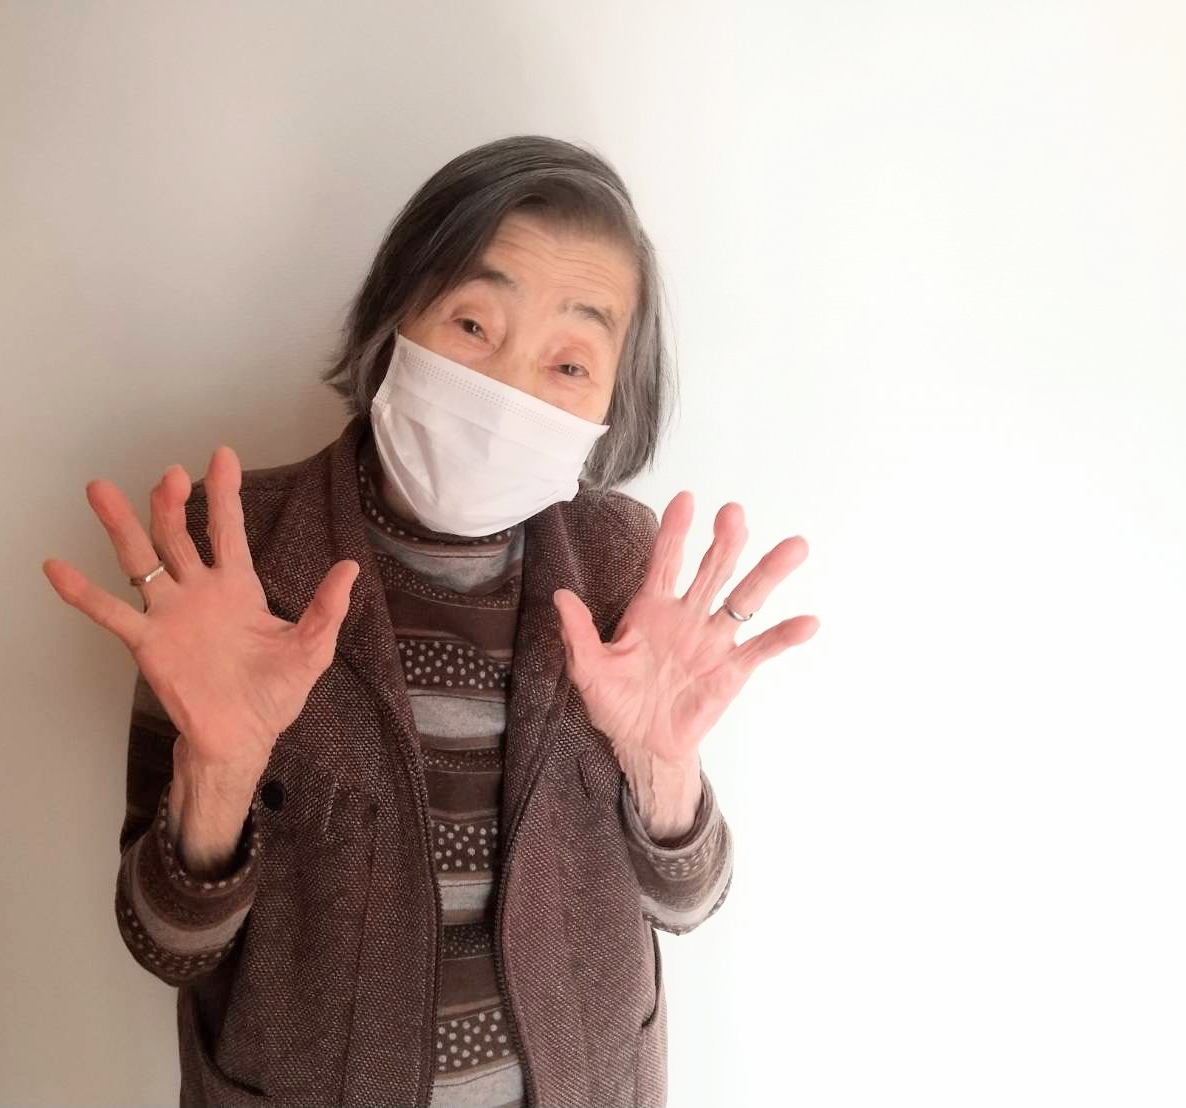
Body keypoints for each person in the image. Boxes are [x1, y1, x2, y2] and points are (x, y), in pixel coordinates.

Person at [42, 134, 818, 1108]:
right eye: (473, 324)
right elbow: (165, 940)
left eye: (568, 362)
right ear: (394, 316)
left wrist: (664, 773)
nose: (507, 391)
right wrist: (219, 775)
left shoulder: (626, 564)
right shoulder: (233, 561)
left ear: (612, 402)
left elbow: (689, 900)